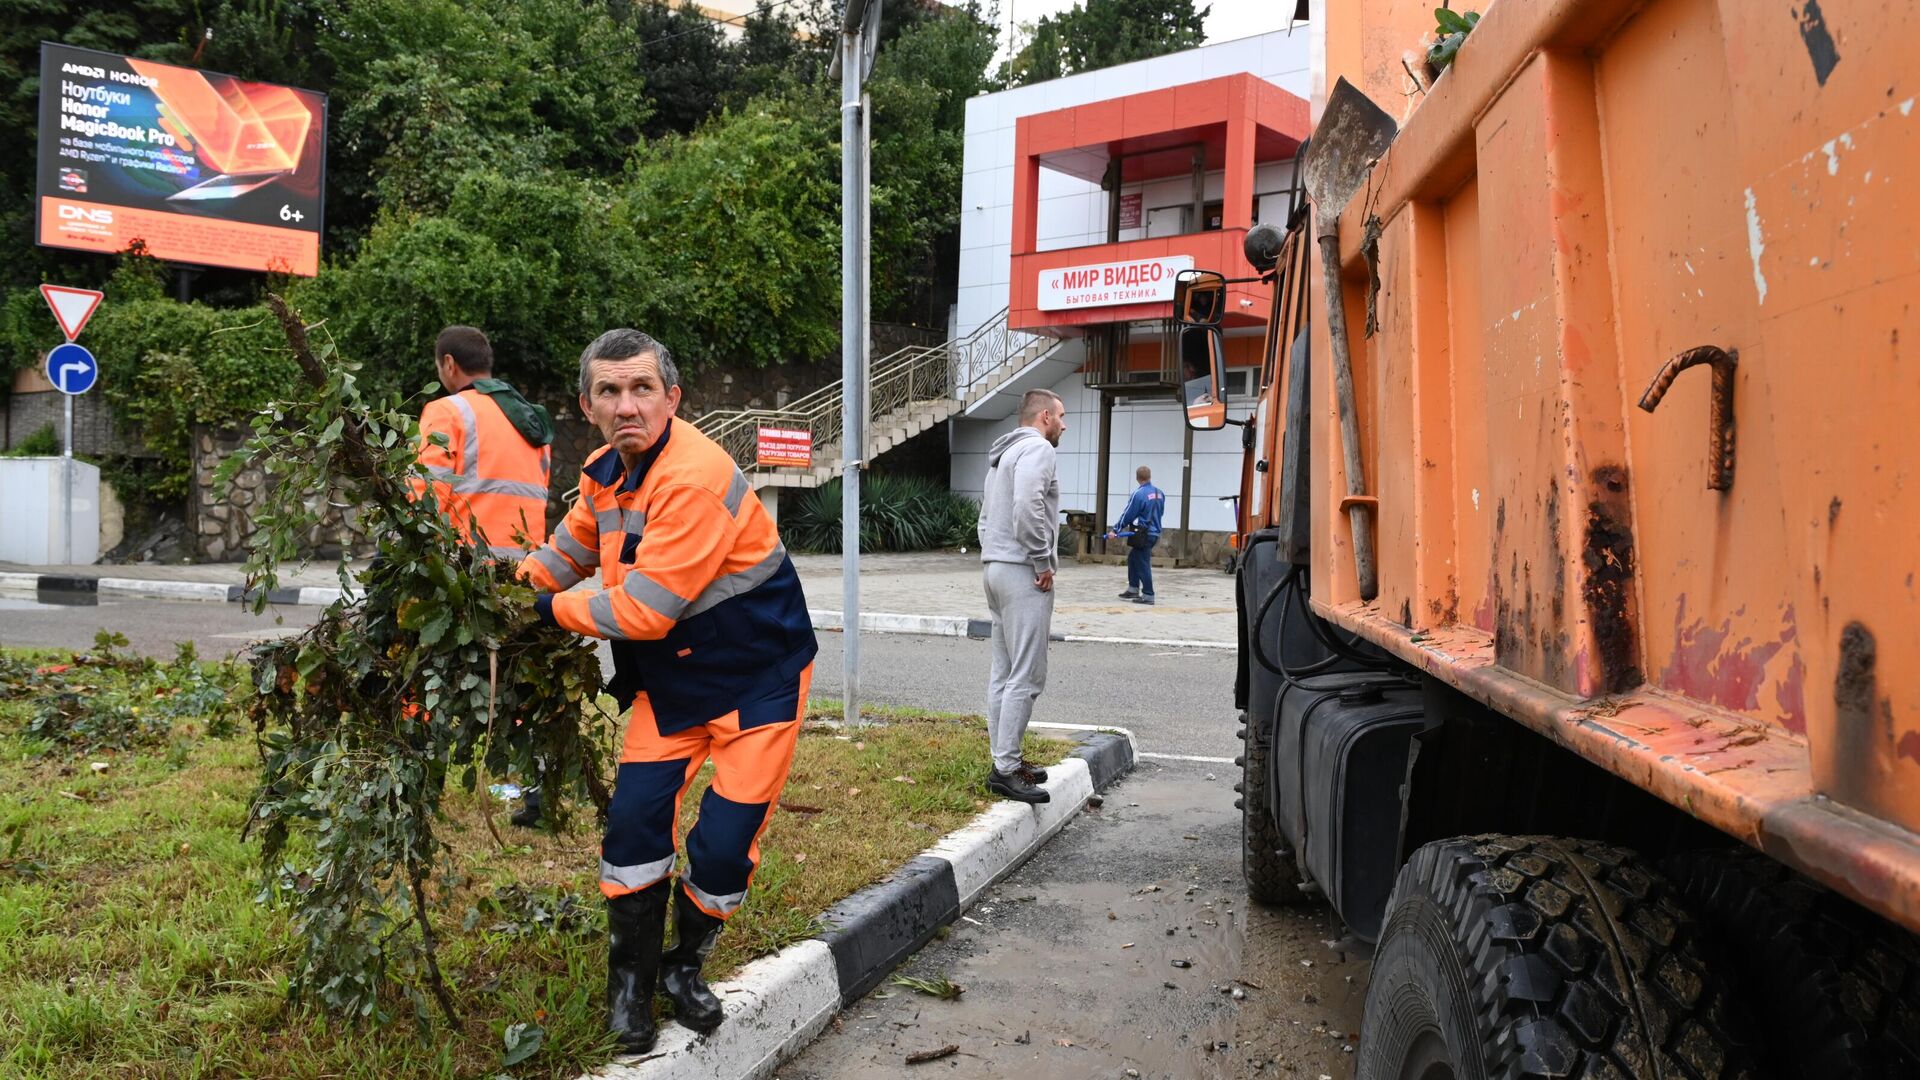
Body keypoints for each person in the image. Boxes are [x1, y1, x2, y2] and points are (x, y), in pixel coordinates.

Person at [519, 329, 817, 1055]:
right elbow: (572, 548)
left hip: (759, 685)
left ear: (672, 398)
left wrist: (547, 612)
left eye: (642, 389)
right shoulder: (603, 473)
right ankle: (631, 982)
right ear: (586, 405)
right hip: (673, 686)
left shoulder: (691, 475)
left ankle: (684, 966)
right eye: (611, 392)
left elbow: (645, 610)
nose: (628, 406)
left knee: (721, 848)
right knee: (633, 830)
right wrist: (510, 591)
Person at [410, 326, 554, 827]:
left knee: (422, 677)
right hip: (524, 577)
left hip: (463, 575)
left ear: (449, 365)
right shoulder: (528, 418)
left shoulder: (449, 411)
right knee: (519, 686)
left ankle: (414, 787)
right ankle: (536, 797)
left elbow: (424, 496)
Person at [977, 389, 1065, 805]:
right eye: (1061, 417)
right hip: (1022, 572)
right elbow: (1028, 506)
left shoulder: (1002, 456)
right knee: (1027, 674)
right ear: (1045, 416)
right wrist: (1041, 561)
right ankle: (1006, 769)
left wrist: (996, 553)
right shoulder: (1038, 450)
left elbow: (985, 518)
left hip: (995, 568)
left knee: (1004, 671)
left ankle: (1004, 758)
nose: (1064, 425)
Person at [1110, 466, 1166, 605]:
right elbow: (1161, 512)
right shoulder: (1160, 494)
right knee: (1133, 558)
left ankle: (1148, 594)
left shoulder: (1139, 494)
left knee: (1143, 563)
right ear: (1149, 476)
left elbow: (1128, 514)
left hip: (1143, 533)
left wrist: (1115, 530)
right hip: (1155, 532)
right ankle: (1133, 588)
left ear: (1137, 478)